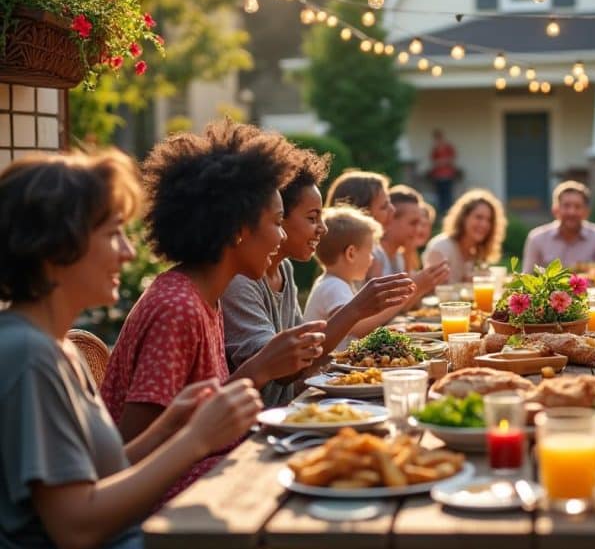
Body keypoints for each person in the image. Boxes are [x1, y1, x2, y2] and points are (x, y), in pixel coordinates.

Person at [0, 152, 261, 549]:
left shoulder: (57, 346)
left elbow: (98, 477)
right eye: (111, 234)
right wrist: (197, 441)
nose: (127, 251)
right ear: (55, 248)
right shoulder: (29, 355)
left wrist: (173, 426)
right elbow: (76, 528)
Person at [101, 121, 324, 503]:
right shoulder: (177, 307)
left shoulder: (207, 296)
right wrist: (259, 370)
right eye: (275, 222)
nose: (282, 236)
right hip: (173, 514)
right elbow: (130, 453)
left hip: (214, 487)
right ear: (238, 228)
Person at [221, 152, 416, 407]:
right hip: (263, 426)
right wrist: (357, 309)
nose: (323, 228)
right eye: (312, 218)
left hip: (295, 407)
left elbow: (306, 361)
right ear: (275, 217)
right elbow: (284, 370)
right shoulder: (239, 283)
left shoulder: (285, 270)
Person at [324, 169, 448, 295]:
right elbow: (376, 309)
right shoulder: (369, 257)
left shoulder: (380, 253)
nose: (392, 210)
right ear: (361, 213)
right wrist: (417, 286)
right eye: (384, 206)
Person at [305, 206, 412, 348]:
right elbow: (358, 328)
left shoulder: (337, 283)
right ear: (351, 254)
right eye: (369, 253)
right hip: (329, 368)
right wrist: (398, 303)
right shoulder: (333, 286)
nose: (372, 259)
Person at [521, 181, 595, 272]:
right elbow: (527, 276)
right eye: (566, 206)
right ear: (555, 210)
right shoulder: (536, 238)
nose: (571, 212)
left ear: (586, 212)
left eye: (577, 206)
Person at [423, 189, 507, 283]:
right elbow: (433, 289)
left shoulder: (476, 253)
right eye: (479, 217)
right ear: (463, 218)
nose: (484, 224)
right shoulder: (441, 247)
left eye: (489, 220)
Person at [377, 185, 425, 275]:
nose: (418, 230)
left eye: (420, 223)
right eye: (413, 223)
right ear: (391, 219)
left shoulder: (399, 256)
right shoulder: (374, 256)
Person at [429, 129, 457, 213]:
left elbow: (451, 160)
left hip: (448, 175)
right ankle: (441, 212)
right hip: (438, 176)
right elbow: (434, 161)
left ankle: (448, 211)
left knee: (448, 195)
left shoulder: (448, 148)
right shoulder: (435, 150)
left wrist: (442, 161)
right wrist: (442, 162)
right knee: (440, 195)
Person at [403, 203, 436, 273]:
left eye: (425, 225)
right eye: (413, 223)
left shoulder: (414, 252)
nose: (420, 230)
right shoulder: (403, 252)